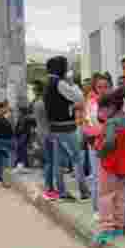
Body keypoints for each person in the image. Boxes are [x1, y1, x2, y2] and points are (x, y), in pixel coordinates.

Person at [95, 86, 125, 244]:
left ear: (112, 107)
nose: (100, 112)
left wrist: (100, 151)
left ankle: (107, 229)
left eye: (102, 108)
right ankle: (120, 226)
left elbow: (108, 142)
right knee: (120, 196)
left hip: (109, 165)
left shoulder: (111, 123)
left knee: (106, 197)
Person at [43, 56, 90, 203]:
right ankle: (84, 191)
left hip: (54, 127)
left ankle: (62, 192)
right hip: (67, 127)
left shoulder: (48, 84)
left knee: (58, 162)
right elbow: (79, 98)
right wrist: (73, 84)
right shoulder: (60, 84)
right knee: (76, 158)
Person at [83, 74, 112, 218]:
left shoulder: (115, 102)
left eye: (106, 86)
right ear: (95, 88)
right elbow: (88, 127)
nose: (103, 90)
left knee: (110, 178)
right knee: (97, 178)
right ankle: (97, 209)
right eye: (100, 87)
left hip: (111, 145)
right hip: (95, 144)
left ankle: (110, 209)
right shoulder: (91, 103)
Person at [32, 81, 53, 194]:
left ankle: (47, 184)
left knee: (46, 161)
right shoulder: (44, 103)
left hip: (40, 133)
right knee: (50, 161)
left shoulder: (36, 103)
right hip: (48, 134)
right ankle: (49, 186)